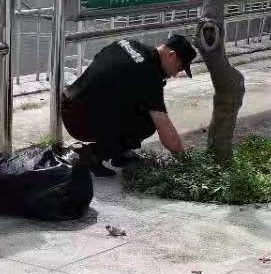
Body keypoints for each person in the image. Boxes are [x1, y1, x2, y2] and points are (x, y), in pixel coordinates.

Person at [59, 35, 196, 176]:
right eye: (179, 68)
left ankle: (119, 154)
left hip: (68, 103)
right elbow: (167, 135)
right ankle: (92, 155)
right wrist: (187, 164)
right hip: (80, 121)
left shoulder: (127, 43)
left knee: (131, 105)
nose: (175, 74)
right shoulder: (150, 74)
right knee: (147, 123)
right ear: (172, 55)